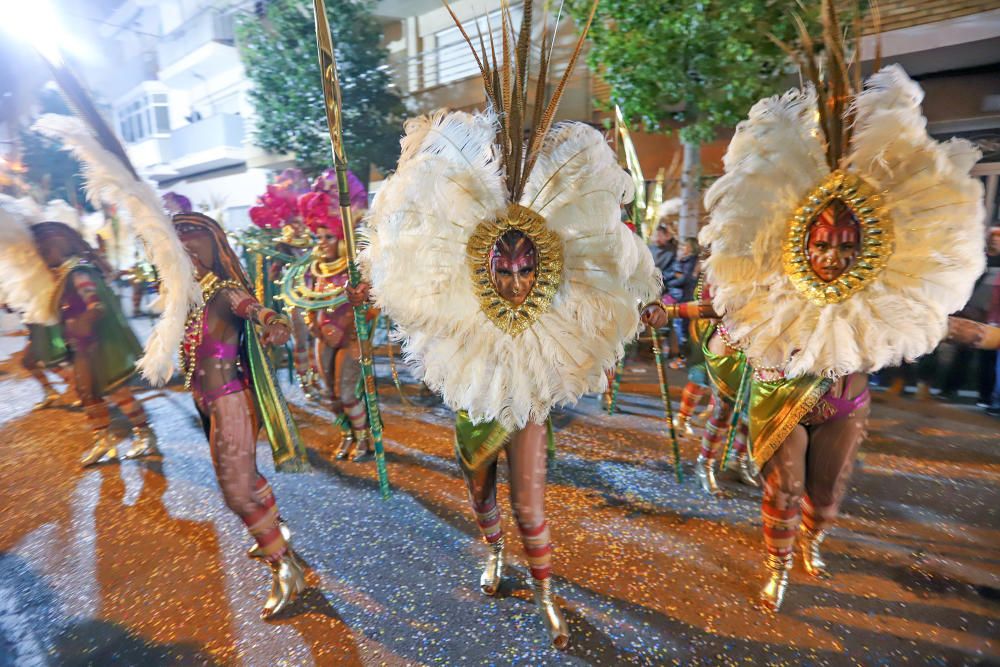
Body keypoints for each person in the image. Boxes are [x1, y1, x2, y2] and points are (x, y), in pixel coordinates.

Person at [649, 2, 985, 612]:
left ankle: (813, 539)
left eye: (845, 243)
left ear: (867, 245)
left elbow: (947, 326)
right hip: (779, 394)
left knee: (825, 498)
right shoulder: (765, 277)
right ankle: (778, 563)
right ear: (801, 237)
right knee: (785, 487)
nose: (830, 253)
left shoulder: (885, 290)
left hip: (844, 401)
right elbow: (717, 307)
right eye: (821, 241)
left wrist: (987, 338)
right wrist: (666, 315)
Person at [358, 0, 657, 648]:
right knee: (481, 491)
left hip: (529, 399)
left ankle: (547, 589)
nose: (516, 278)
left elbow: (602, 281)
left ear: (542, 265)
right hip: (471, 396)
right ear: (484, 260)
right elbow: (418, 283)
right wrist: (383, 286)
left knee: (531, 501)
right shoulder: (459, 275)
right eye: (505, 266)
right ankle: (493, 551)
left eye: (527, 268)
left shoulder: (555, 272)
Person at [175, 212, 307, 619]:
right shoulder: (189, 298)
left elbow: (255, 309)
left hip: (229, 399)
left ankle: (284, 566)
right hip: (208, 401)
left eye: (188, 251)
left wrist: (277, 322)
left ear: (201, 254)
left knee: (235, 492)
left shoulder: (223, 291)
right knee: (244, 480)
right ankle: (275, 526)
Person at [31, 221, 156, 466]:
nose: (42, 252)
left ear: (60, 243)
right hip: (82, 349)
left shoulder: (78, 273)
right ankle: (104, 441)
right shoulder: (65, 275)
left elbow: (95, 305)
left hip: (97, 347)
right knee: (89, 395)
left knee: (118, 393)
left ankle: (146, 436)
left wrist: (82, 321)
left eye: (45, 247)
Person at [288, 182, 373, 461]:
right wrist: (315, 324)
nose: (321, 242)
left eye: (328, 237)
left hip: (351, 340)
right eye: (319, 237)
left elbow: (372, 306)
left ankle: (363, 438)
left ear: (341, 239)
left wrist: (347, 326)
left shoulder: (357, 270)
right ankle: (346, 434)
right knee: (331, 396)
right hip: (323, 338)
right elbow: (308, 302)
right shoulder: (316, 270)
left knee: (347, 393)